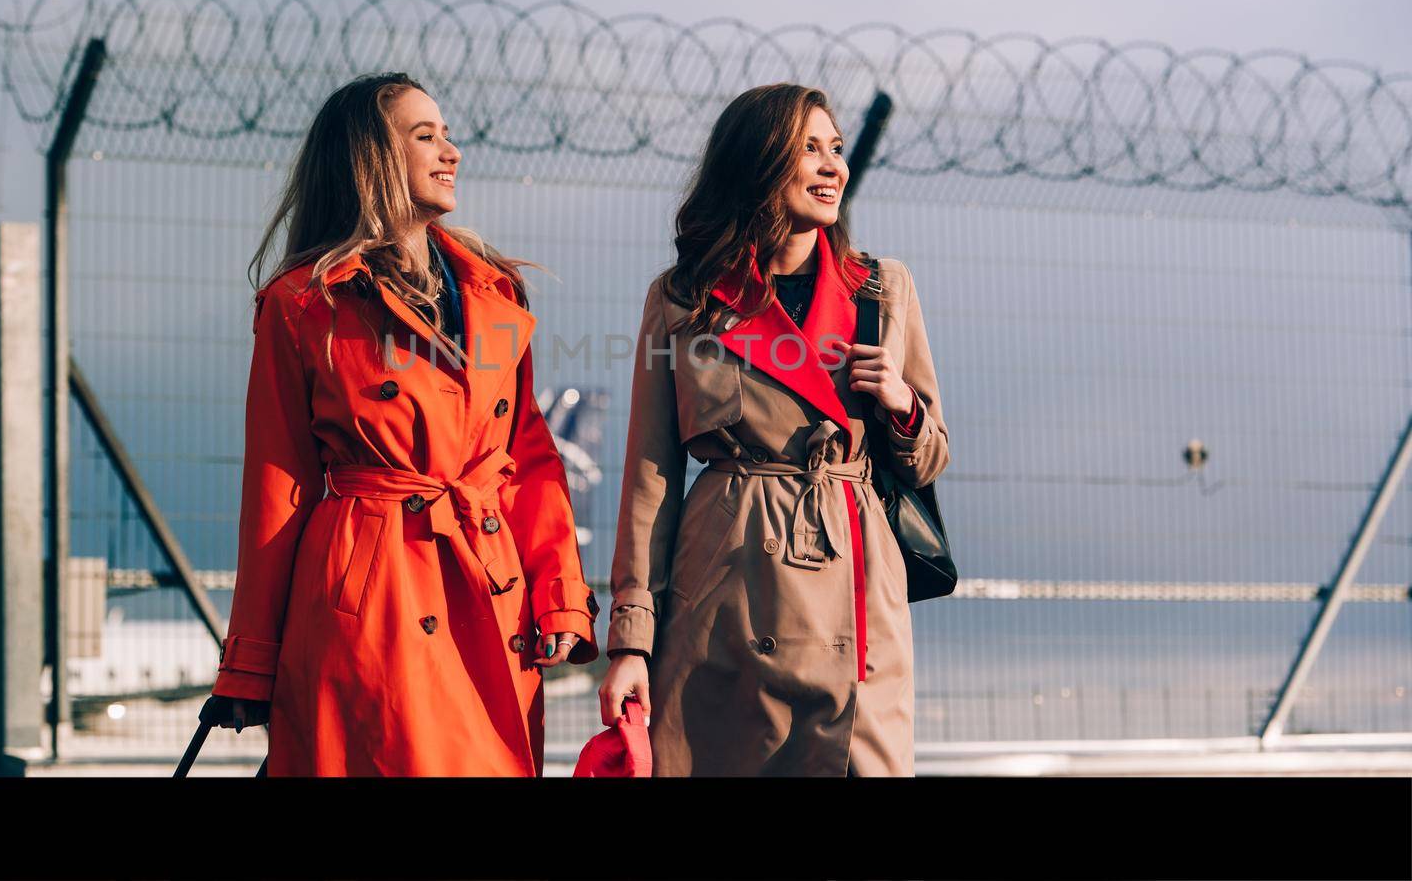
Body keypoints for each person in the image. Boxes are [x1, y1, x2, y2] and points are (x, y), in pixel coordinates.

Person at [208, 72, 598, 776]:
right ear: (371, 159)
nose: (451, 152)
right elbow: (279, 486)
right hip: (375, 601)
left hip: (489, 588)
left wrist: (562, 596)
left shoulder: (494, 289)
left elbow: (530, 459)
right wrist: (249, 666)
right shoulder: (303, 304)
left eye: (448, 135)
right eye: (426, 136)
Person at [597, 82, 949, 776]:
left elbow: (931, 456)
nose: (832, 168)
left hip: (856, 584)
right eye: (808, 150)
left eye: (838, 150)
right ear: (757, 163)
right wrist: (631, 643)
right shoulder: (683, 298)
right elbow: (650, 474)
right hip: (726, 594)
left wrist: (901, 403)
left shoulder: (882, 288)